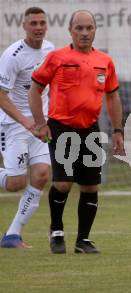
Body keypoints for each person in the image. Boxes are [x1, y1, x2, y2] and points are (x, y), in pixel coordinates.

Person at [28, 10, 124, 254]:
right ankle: (57, 231)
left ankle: (83, 240)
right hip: (61, 127)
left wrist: (117, 130)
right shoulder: (57, 57)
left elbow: (112, 97)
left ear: (94, 30)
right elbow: (35, 90)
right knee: (63, 182)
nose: (84, 33)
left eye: (89, 28)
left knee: (91, 186)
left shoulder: (105, 60)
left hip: (90, 129)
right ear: (70, 30)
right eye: (79, 28)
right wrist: (40, 123)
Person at [0, 7, 54, 249]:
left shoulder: (51, 50)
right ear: (24, 26)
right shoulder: (13, 55)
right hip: (14, 125)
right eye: (33, 23)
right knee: (15, 183)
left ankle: (13, 235)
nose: (38, 27)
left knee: (42, 174)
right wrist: (25, 121)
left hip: (39, 126)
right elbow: (1, 96)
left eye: (42, 22)